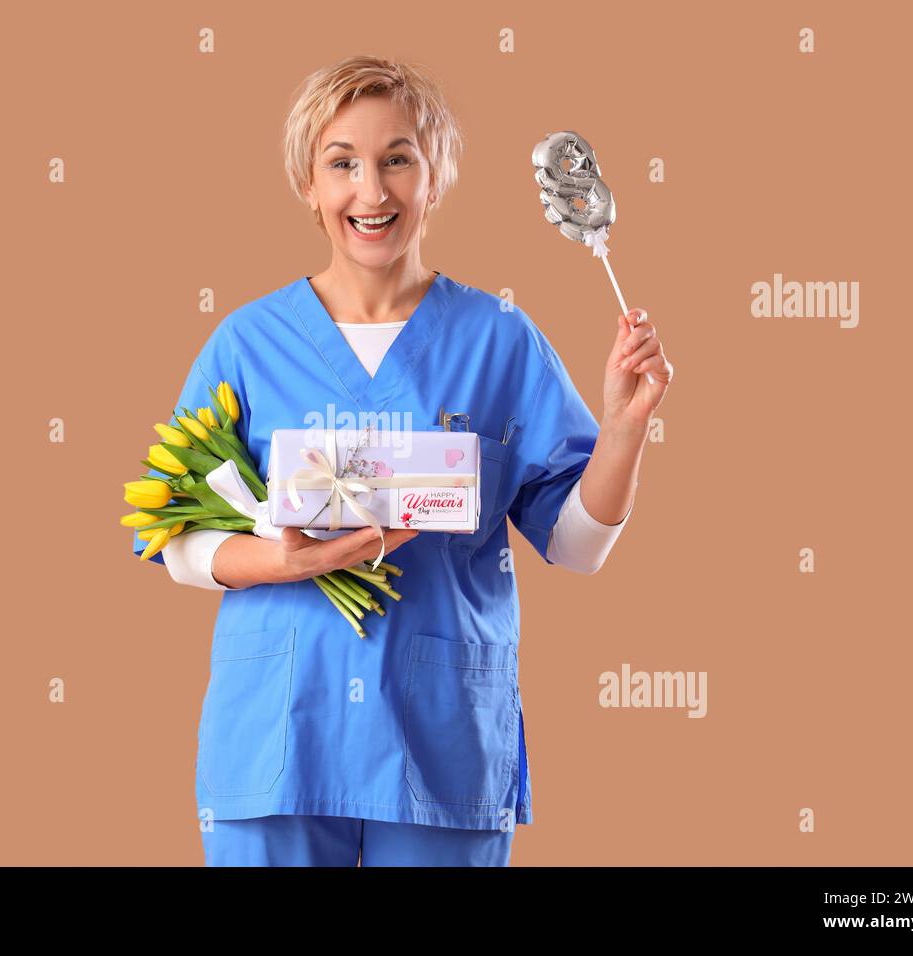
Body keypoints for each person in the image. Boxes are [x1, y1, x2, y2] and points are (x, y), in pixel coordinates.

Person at [134, 55, 673, 866]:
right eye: (341, 163)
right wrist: (280, 564)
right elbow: (175, 540)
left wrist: (625, 430)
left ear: (436, 177)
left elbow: (576, 545)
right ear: (308, 186)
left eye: (398, 159)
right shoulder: (245, 344)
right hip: (279, 739)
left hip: (441, 742)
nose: (372, 191)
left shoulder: (500, 340)